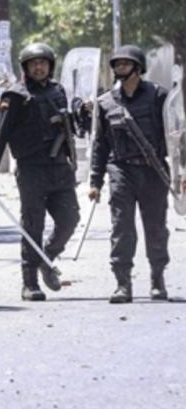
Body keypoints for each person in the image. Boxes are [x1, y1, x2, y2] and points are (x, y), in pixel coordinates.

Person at [0, 43, 80, 301]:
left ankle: (47, 257)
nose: (39, 67)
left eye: (43, 63)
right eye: (34, 63)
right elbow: (1, 136)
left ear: (50, 65)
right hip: (31, 169)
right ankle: (30, 282)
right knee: (33, 225)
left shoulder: (58, 91)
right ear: (25, 67)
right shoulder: (15, 96)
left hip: (60, 168)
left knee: (70, 219)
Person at [89, 45, 171, 303]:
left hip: (153, 170)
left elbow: (175, 135)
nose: (120, 67)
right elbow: (100, 144)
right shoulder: (106, 103)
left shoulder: (159, 96)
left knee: (156, 227)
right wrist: (95, 181)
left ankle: (157, 278)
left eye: (125, 63)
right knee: (121, 227)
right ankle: (123, 284)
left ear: (138, 67)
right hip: (121, 170)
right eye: (117, 64)